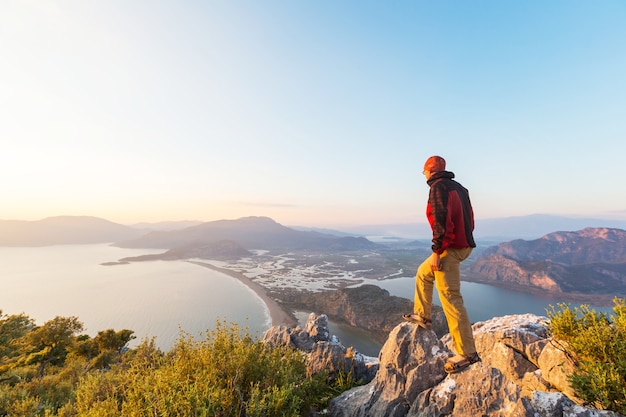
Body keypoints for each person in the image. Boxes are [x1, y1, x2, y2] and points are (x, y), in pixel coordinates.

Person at [402, 155, 481, 374]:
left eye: (423, 171)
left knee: (451, 299)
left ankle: (467, 354)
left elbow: (440, 221)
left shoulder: (438, 188)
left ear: (429, 170)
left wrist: (438, 251)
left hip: (450, 248)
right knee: (423, 273)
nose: (424, 175)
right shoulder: (460, 188)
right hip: (463, 245)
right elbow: (470, 219)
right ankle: (423, 315)